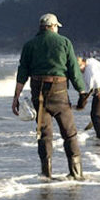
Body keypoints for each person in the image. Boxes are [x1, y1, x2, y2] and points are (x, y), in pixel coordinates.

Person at [12, 13, 87, 179]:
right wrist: (82, 92)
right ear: (53, 26)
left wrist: (16, 97)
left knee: (44, 134)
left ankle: (46, 173)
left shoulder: (29, 45)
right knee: (69, 133)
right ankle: (76, 173)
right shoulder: (64, 42)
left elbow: (22, 72)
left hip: (38, 94)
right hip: (59, 93)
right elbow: (74, 71)